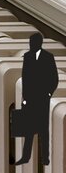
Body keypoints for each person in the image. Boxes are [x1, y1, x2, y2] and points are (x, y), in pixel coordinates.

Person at [14, 32, 58, 166]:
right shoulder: (27, 57)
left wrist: (49, 93)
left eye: (32, 43)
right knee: (28, 130)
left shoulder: (48, 57)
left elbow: (54, 77)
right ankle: (25, 157)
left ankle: (45, 158)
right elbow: (25, 78)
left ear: (39, 43)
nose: (31, 45)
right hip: (30, 99)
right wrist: (25, 98)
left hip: (42, 99)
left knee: (43, 130)